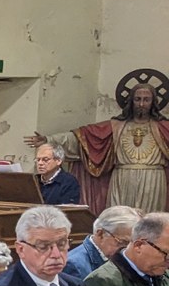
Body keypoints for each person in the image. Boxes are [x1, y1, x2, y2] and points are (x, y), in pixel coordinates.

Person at [29, 81, 169, 215]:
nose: (141, 104)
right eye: (137, 99)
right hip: (122, 177)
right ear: (131, 101)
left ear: (153, 102)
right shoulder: (116, 126)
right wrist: (49, 140)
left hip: (153, 179)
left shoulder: (164, 128)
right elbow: (82, 138)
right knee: (117, 217)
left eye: (146, 100)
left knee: (150, 218)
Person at [66, 205, 140, 279]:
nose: (126, 250)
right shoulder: (74, 265)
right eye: (122, 242)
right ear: (100, 234)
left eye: (132, 244)